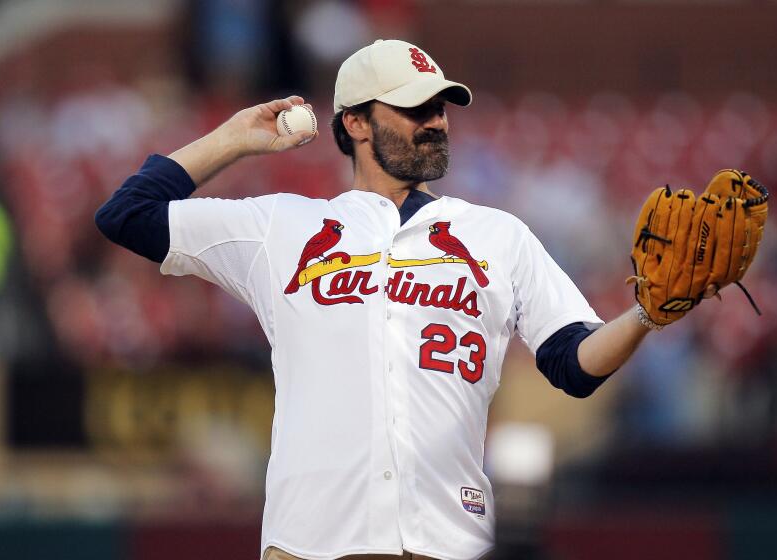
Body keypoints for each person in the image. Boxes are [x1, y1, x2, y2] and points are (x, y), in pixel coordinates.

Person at [96, 39, 652, 560]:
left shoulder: (497, 235)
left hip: (451, 540)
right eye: (415, 108)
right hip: (311, 542)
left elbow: (575, 365)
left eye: (440, 107)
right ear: (356, 122)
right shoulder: (283, 226)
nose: (435, 121)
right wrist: (236, 137)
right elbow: (128, 215)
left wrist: (646, 314)